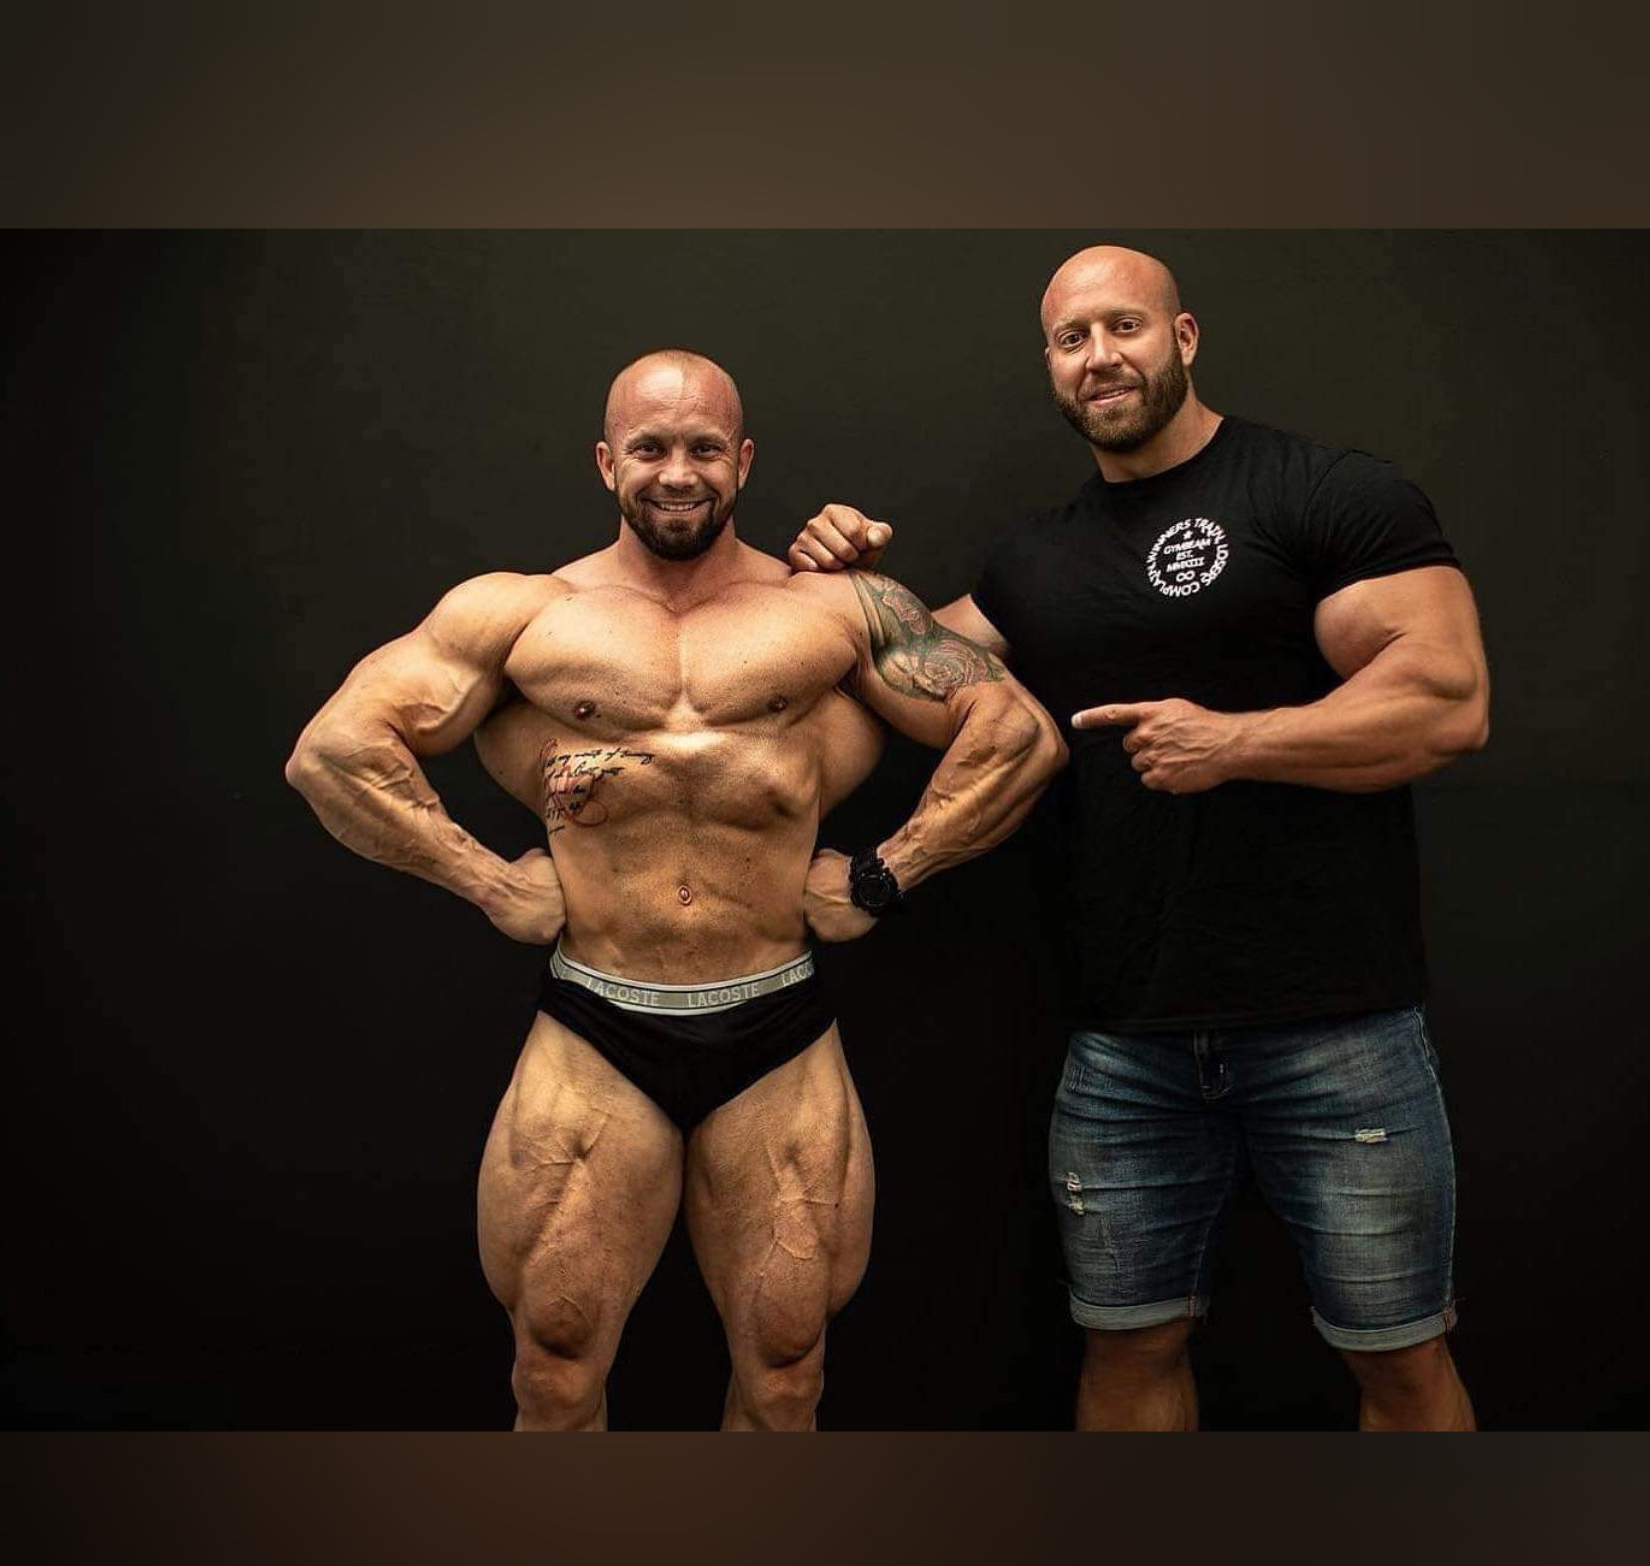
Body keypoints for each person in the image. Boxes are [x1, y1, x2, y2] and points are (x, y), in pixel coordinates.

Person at [285, 349, 1066, 1430]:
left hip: (776, 1022)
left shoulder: (835, 610)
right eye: (649, 448)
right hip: (597, 1022)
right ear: (607, 463)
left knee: (786, 1372)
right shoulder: (520, 613)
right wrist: (485, 881)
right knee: (555, 1363)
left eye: (703, 447)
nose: (677, 471)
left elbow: (1017, 736)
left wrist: (890, 872)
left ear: (742, 461)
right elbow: (334, 753)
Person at [787, 246, 1490, 1431]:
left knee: (1399, 1360)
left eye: (1124, 326)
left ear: (1184, 336)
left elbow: (1447, 700)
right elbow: (908, 672)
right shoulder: (1036, 560)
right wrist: (841, 586)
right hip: (1125, 1042)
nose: (1099, 357)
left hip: (1338, 1029)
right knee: (1126, 1351)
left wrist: (1235, 743)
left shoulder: (1320, 492)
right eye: (1071, 339)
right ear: (1050, 366)